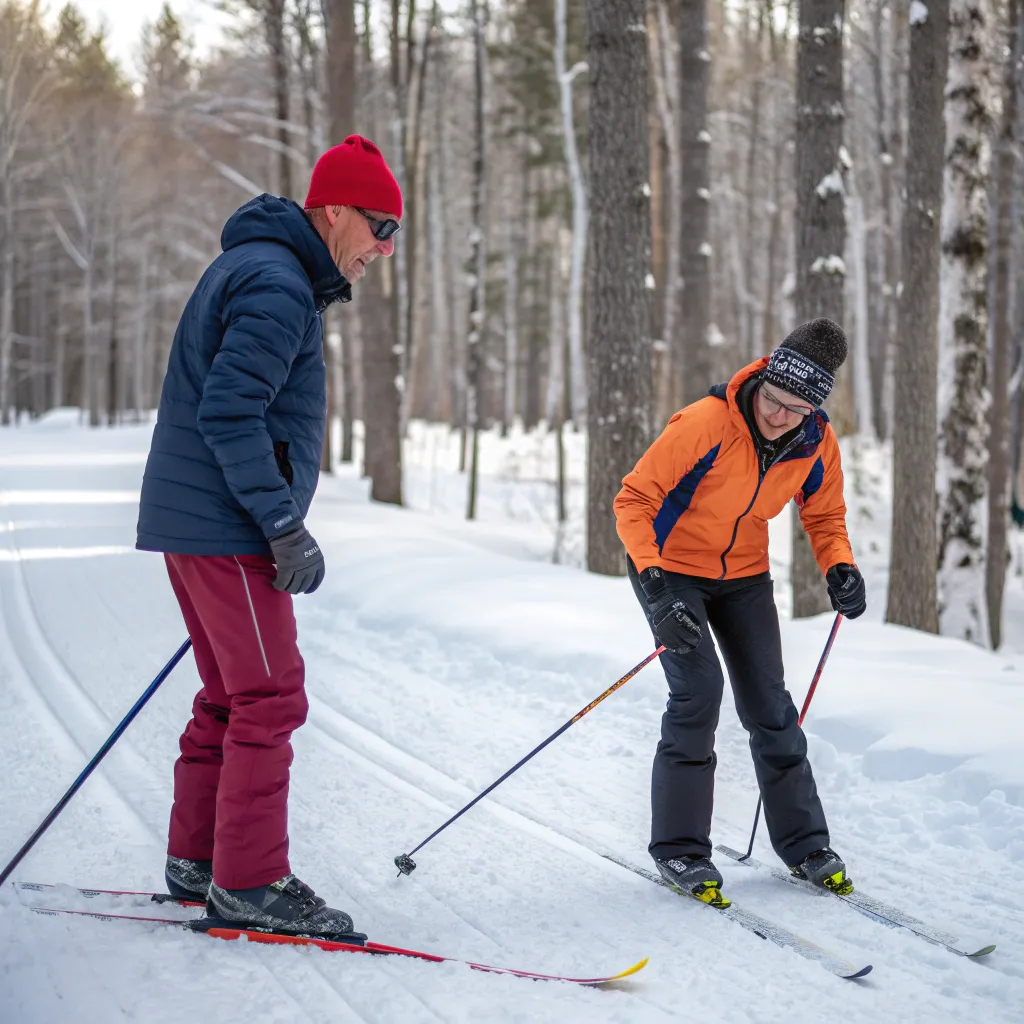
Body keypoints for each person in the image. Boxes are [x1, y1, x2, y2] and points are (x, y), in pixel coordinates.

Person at [135, 135, 402, 937]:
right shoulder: (278, 283)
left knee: (230, 693)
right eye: (379, 225)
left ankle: (201, 861)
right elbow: (228, 410)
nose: (385, 248)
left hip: (201, 520)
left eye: (394, 231)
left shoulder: (267, 271)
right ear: (332, 211)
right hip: (228, 524)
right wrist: (283, 524)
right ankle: (248, 882)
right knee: (270, 696)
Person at [613, 318, 866, 906]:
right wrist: (656, 586)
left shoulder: (814, 441)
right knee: (699, 692)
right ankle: (680, 848)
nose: (779, 415)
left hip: (744, 576)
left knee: (770, 706)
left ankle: (806, 846)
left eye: (795, 408)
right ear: (764, 378)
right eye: (774, 399)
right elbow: (634, 499)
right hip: (670, 567)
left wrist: (840, 567)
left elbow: (824, 516)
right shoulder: (705, 423)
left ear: (815, 408)